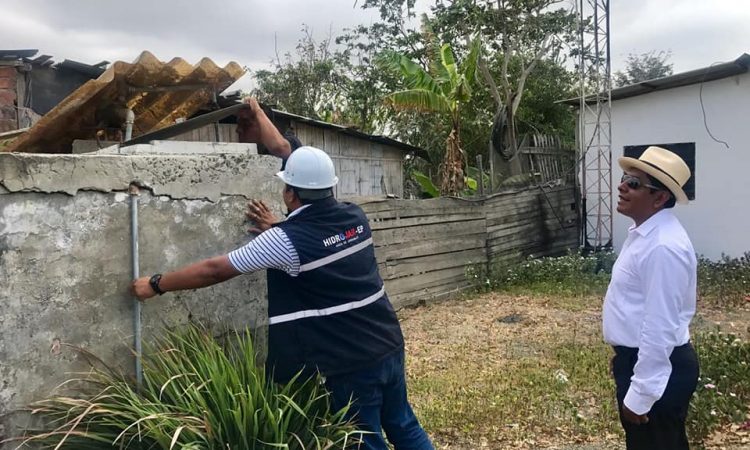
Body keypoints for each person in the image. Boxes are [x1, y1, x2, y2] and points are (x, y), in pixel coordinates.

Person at [132, 98, 434, 450]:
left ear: (289, 194)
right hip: (387, 342)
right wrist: (258, 115)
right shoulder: (354, 217)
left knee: (364, 439)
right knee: (402, 423)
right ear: (330, 187)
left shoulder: (285, 240)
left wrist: (156, 284)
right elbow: (287, 155)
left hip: (351, 360)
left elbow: (215, 271)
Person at [603, 146, 699, 449]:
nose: (621, 186)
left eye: (634, 183)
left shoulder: (662, 247)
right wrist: (624, 355)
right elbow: (637, 308)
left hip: (661, 370)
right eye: (624, 179)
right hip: (642, 360)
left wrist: (642, 393)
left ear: (659, 198)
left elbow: (660, 326)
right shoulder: (645, 235)